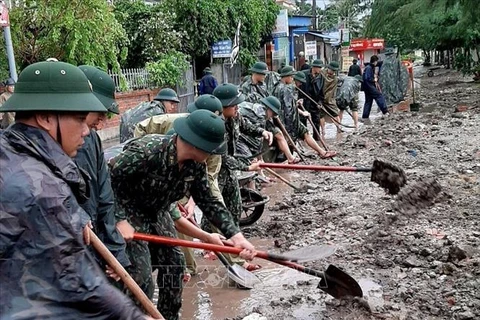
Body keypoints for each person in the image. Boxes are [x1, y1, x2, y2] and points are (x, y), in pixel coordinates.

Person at [0, 60, 150, 319]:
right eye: (80, 120)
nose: (86, 132)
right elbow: (78, 285)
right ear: (46, 117)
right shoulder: (41, 190)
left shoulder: (12, 151)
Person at [109, 110, 257, 320]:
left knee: (175, 265)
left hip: (159, 211)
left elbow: (209, 202)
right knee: (140, 274)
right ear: (197, 144)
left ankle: (168, 317)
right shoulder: (148, 151)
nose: (214, 154)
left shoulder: (195, 166)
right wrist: (119, 219)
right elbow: (107, 181)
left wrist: (237, 237)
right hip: (128, 208)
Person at [133, 94, 225, 278]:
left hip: (162, 193)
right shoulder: (151, 149)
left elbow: (206, 194)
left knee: (173, 258)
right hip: (130, 205)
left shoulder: (196, 161)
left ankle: (182, 270)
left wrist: (192, 206)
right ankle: (186, 268)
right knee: (140, 267)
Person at [74, 65, 130, 284]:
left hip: (94, 243)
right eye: (99, 113)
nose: (102, 121)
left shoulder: (93, 141)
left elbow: (105, 198)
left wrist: (116, 254)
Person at [213, 83, 273, 270]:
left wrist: (262, 131)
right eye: (234, 105)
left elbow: (246, 126)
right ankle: (210, 247)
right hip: (214, 172)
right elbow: (222, 158)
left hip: (229, 172)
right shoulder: (215, 125)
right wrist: (248, 166)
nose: (237, 107)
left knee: (235, 208)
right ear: (222, 107)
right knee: (213, 212)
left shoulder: (235, 117)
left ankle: (231, 246)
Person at [272, 66, 337, 159]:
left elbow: (288, 106)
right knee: (291, 141)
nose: (292, 79)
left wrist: (298, 108)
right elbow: (288, 110)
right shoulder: (285, 89)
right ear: (286, 76)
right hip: (288, 121)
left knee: (305, 133)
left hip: (288, 120)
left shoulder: (277, 87)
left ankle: (321, 152)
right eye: (291, 77)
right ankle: (287, 160)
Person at [237, 96, 300, 164]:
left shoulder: (261, 109)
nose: (272, 116)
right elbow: (258, 139)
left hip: (243, 122)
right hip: (237, 124)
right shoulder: (260, 115)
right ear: (269, 109)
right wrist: (260, 159)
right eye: (273, 113)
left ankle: (290, 158)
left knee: (278, 134)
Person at [299, 59, 324, 141]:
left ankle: (317, 139)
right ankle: (304, 140)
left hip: (315, 102)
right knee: (302, 122)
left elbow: (321, 93)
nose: (320, 70)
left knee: (316, 121)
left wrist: (320, 102)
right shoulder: (304, 74)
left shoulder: (321, 78)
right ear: (314, 67)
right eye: (319, 68)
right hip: (303, 102)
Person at [362, 55, 389, 119]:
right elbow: (367, 78)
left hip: (366, 87)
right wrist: (374, 80)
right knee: (379, 96)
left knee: (368, 102)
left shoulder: (368, 67)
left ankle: (365, 118)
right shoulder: (369, 68)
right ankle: (385, 111)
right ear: (375, 61)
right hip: (370, 86)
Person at [319, 61, 342, 135]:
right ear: (328, 68)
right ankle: (323, 131)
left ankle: (339, 128)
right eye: (331, 70)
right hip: (320, 98)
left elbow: (333, 90)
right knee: (321, 115)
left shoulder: (335, 79)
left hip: (330, 99)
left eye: (334, 71)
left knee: (335, 113)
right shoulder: (321, 74)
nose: (332, 72)